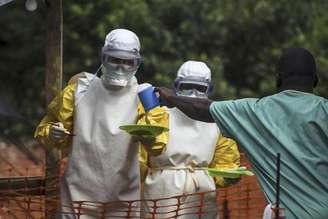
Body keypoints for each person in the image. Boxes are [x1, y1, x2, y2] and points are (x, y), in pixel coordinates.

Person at [155, 48, 328, 219]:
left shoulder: (254, 112)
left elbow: (200, 108)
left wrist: (170, 96)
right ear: (315, 80)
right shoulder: (325, 110)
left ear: (278, 79)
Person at [35, 28, 144, 218]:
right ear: (103, 58)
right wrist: (52, 132)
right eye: (115, 59)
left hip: (123, 197)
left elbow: (155, 148)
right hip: (78, 195)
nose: (120, 67)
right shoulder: (78, 91)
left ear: (137, 63)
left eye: (127, 62)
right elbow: (45, 129)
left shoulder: (143, 97)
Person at [139, 61, 240, 218]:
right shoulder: (160, 115)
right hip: (162, 191)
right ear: (177, 86)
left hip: (201, 192)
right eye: (187, 87)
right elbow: (142, 157)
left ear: (209, 89)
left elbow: (225, 162)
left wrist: (228, 175)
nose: (193, 93)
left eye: (200, 88)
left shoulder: (216, 123)